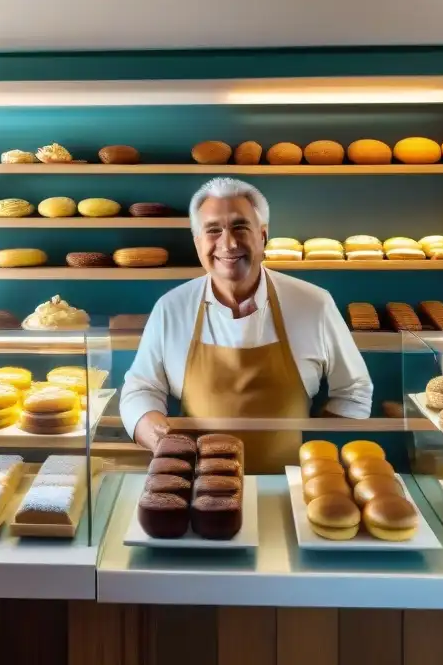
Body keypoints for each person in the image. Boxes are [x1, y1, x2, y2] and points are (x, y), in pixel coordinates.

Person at [120, 177, 373, 473]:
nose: (228, 243)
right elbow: (140, 389)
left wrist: (319, 453)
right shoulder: (171, 308)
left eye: (240, 227)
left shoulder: (313, 304)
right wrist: (157, 436)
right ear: (198, 242)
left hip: (291, 491)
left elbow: (355, 390)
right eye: (213, 230)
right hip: (198, 491)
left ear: (263, 235)